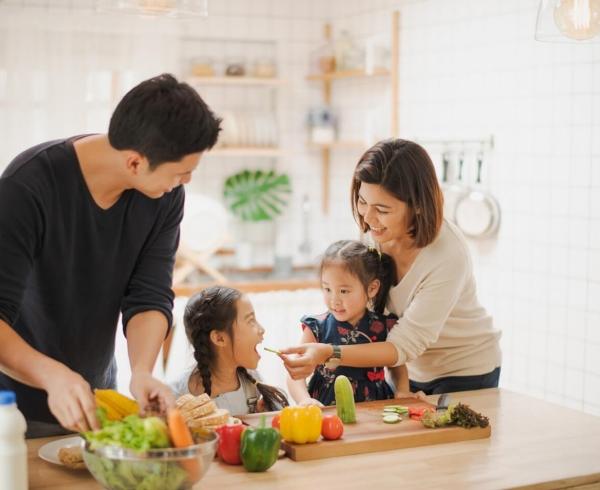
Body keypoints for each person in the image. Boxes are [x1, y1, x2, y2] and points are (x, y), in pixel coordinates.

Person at [0, 73, 222, 437]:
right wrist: (51, 375)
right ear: (135, 162)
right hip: (10, 409)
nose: (185, 183)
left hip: (97, 400)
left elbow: (149, 295)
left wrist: (142, 372)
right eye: (181, 173)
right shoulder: (28, 186)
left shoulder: (163, 196)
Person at [282, 139, 502, 395]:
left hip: (465, 372)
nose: (367, 217)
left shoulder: (447, 254)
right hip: (407, 368)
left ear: (418, 205)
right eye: (363, 202)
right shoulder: (376, 233)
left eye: (382, 209)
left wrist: (329, 352)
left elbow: (404, 344)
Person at [287, 240, 409, 406]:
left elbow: (397, 365)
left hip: (376, 404)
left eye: (343, 291)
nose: (334, 300)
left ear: (372, 288)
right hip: (327, 406)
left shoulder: (384, 326)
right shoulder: (316, 327)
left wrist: (402, 390)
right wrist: (305, 400)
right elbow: (295, 374)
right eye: (327, 289)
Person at [171, 286, 289, 415]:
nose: (261, 329)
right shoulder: (176, 395)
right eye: (250, 321)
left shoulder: (252, 382)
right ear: (219, 338)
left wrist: (262, 415)